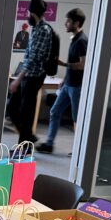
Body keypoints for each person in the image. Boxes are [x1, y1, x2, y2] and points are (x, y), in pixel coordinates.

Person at [36, 8, 88, 154]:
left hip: (77, 86)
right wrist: (64, 79)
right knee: (54, 111)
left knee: (77, 119)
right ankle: (49, 144)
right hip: (68, 85)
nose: (66, 24)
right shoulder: (75, 39)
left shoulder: (82, 41)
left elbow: (83, 65)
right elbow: (74, 63)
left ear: (76, 23)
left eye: (68, 21)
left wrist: (62, 64)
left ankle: (79, 150)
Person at [7, 0, 53, 144]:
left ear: (32, 13)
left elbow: (33, 58)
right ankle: (28, 137)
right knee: (12, 109)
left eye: (28, 12)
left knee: (26, 113)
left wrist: (18, 79)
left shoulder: (43, 30)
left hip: (34, 77)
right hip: (27, 76)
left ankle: (24, 145)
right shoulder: (35, 29)